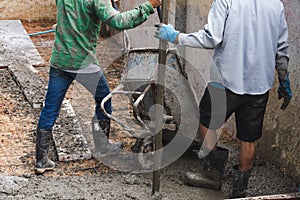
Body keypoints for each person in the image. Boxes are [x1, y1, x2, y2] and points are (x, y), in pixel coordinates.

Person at [155, 0, 292, 198]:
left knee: (206, 123)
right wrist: (284, 79)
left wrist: (176, 36)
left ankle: (212, 175)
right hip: (259, 84)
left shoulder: (226, 1)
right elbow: (281, 48)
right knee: (248, 140)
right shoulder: (276, 5)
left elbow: (212, 38)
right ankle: (239, 191)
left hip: (225, 80)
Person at [35, 0, 161, 175]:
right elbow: (118, 22)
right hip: (83, 63)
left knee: (50, 108)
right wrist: (148, 6)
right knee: (104, 99)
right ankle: (102, 147)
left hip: (60, 59)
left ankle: (41, 160)